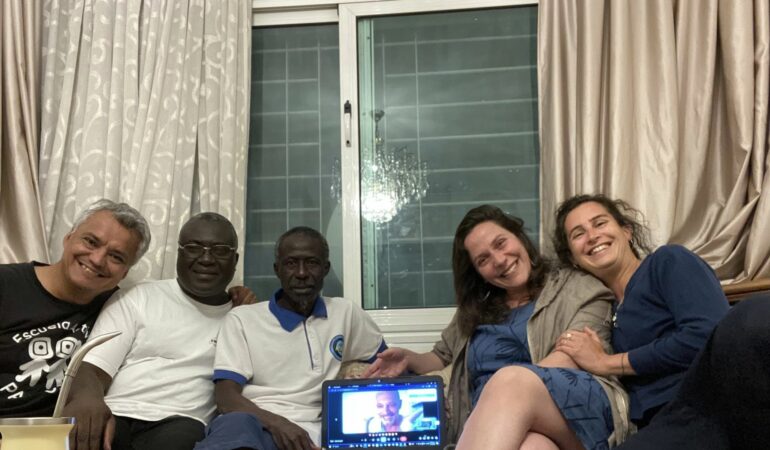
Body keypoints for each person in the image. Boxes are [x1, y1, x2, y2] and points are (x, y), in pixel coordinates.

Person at [364, 205, 631, 449]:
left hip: (578, 410)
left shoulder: (578, 287)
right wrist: (409, 359)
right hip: (505, 426)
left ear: (519, 237)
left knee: (510, 380)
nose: (500, 260)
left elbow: (573, 357)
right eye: (483, 259)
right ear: (478, 273)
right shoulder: (476, 308)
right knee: (534, 447)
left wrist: (508, 389)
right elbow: (441, 355)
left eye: (501, 243)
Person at [62, 212, 250, 450]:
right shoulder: (138, 296)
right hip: (115, 413)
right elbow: (93, 368)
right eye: (193, 248)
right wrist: (88, 401)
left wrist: (247, 311)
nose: (206, 259)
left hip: (180, 423)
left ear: (235, 259)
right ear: (179, 254)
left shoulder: (242, 319)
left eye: (220, 250)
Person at [193, 226, 387, 450]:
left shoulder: (345, 313)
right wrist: (278, 424)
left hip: (317, 431)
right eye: (291, 263)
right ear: (277, 269)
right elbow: (226, 397)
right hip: (256, 425)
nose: (302, 273)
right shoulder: (243, 319)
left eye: (312, 263)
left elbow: (390, 365)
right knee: (233, 425)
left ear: (326, 269)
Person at [552, 194, 730, 428]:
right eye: (578, 234)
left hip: (703, 406)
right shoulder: (601, 308)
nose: (592, 236)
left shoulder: (667, 261)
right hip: (645, 425)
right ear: (573, 259)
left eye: (600, 223)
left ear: (627, 231)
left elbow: (708, 335)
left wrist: (607, 363)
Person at [0, 199, 150, 418]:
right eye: (91, 242)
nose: (97, 259)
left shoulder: (120, 308)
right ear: (68, 238)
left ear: (125, 273)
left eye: (116, 257)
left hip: (58, 431)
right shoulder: (6, 284)